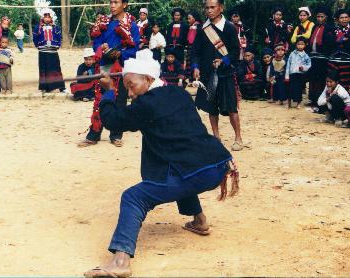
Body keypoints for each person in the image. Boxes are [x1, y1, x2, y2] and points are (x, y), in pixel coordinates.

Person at [83, 48, 239, 278]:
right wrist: (121, 90)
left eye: (131, 85)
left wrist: (108, 93)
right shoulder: (179, 93)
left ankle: (120, 261)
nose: (130, 91)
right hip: (218, 164)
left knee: (133, 197)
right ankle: (200, 221)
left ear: (148, 79)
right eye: (126, 86)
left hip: (196, 170)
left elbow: (114, 120)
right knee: (178, 170)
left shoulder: (146, 105)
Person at [78, 0, 139, 148]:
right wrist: (102, 47)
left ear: (124, 4)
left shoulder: (131, 24)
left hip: (123, 67)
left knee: (120, 100)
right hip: (105, 65)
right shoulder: (103, 22)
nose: (112, 5)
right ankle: (94, 134)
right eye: (111, 2)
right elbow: (96, 43)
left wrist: (120, 53)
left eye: (116, 2)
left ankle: (116, 134)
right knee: (100, 98)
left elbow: (135, 47)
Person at [192, 0, 243, 151]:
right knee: (211, 108)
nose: (209, 10)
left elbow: (235, 50)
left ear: (221, 8)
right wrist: (195, 67)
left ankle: (238, 138)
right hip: (208, 75)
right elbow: (195, 52)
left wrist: (224, 60)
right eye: (207, 7)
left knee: (232, 108)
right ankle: (216, 137)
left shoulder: (229, 28)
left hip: (225, 74)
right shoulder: (202, 29)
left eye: (213, 7)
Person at [33, 8, 67, 93]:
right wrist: (38, 45)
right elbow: (35, 38)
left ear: (51, 18)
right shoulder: (38, 27)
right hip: (43, 51)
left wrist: (58, 45)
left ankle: (61, 87)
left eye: (49, 17)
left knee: (56, 69)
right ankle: (44, 88)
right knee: (44, 69)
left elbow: (59, 38)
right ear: (42, 17)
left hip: (53, 51)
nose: (47, 19)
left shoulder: (56, 27)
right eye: (45, 17)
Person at [307, 6, 336, 107]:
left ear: (326, 17)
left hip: (323, 58)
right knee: (313, 79)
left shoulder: (330, 28)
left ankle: (320, 101)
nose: (319, 18)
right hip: (313, 57)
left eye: (322, 16)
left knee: (321, 80)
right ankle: (312, 99)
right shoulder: (315, 27)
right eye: (318, 16)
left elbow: (331, 44)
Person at [285, 37, 311, 109]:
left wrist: (303, 68)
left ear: (305, 45)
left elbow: (309, 65)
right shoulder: (292, 54)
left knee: (298, 89)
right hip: (292, 74)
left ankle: (298, 103)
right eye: (298, 44)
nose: (300, 46)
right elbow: (288, 65)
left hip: (300, 75)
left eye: (302, 44)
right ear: (296, 45)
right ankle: (289, 103)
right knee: (290, 89)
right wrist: (287, 76)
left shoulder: (306, 56)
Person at [186, 10, 202, 82]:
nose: (188, 20)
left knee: (193, 65)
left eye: (189, 18)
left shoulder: (196, 27)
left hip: (194, 49)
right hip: (194, 49)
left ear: (194, 19)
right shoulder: (195, 26)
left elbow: (190, 40)